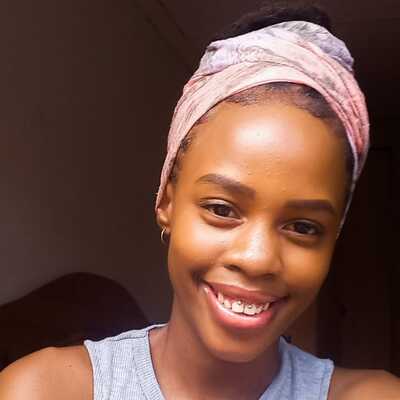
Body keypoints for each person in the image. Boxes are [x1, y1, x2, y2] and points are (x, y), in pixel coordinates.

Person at [0, 3, 399, 399]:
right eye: (222, 209)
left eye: (303, 227)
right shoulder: (45, 390)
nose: (257, 258)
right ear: (166, 202)